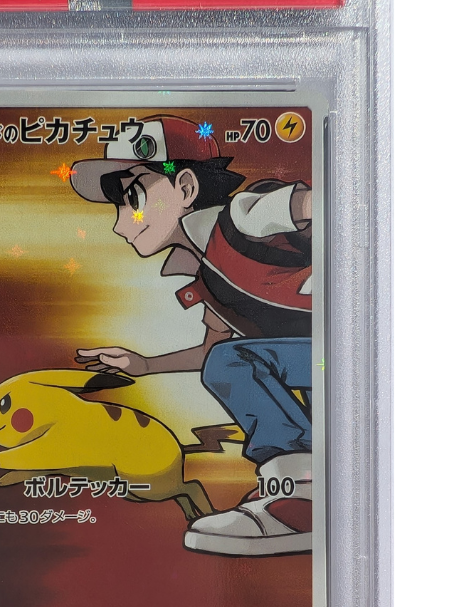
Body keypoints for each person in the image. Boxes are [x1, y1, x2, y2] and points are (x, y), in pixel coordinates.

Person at [70, 114, 314, 557]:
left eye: (133, 198)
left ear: (184, 188)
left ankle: (297, 496)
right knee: (231, 360)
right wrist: (145, 365)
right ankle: (301, 495)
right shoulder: (211, 279)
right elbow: (213, 352)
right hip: (322, 362)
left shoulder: (242, 217)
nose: (122, 224)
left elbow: (316, 204)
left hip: (345, 349)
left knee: (235, 362)